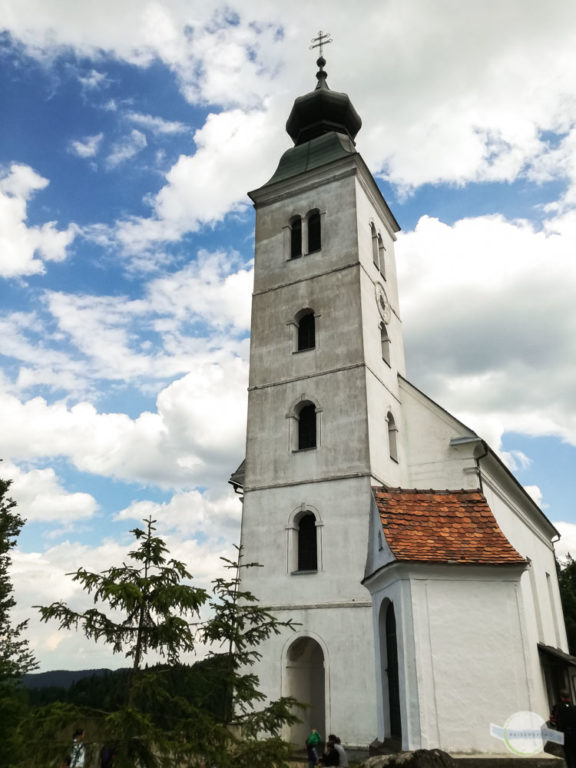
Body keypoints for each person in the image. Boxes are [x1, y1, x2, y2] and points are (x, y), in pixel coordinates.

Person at [551, 691, 576, 768]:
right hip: (574, 733)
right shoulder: (574, 707)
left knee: (568, 754)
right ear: (569, 697)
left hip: (563, 734)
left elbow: (553, 722)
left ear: (561, 697)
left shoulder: (556, 708)